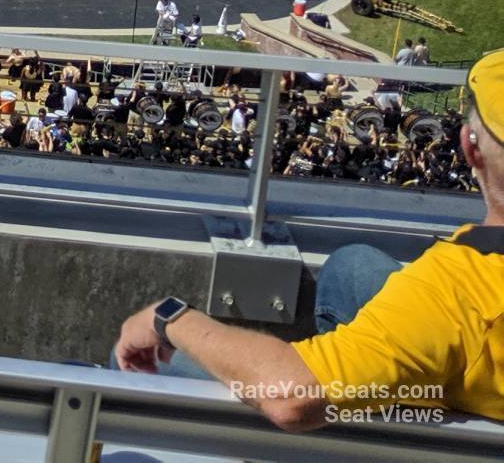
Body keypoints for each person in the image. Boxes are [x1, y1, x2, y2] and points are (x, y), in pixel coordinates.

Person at [112, 47, 504, 430]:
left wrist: (170, 319)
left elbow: (293, 398)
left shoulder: (457, 290)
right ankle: (351, 364)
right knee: (353, 265)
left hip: (427, 431)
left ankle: (342, 401)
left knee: (149, 365)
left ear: (469, 146)